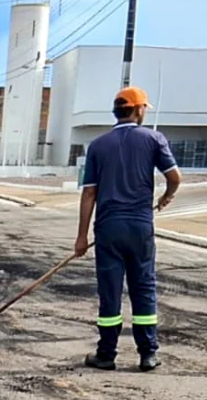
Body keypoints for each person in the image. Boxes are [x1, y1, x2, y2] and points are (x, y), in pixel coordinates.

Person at [75, 85, 181, 373]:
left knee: (110, 291)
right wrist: (166, 196)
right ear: (137, 109)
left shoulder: (98, 145)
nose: (145, 111)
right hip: (140, 227)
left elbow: (89, 193)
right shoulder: (154, 139)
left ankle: (106, 354)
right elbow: (175, 177)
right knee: (143, 286)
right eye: (144, 107)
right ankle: (148, 354)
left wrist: (82, 237)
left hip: (108, 228)